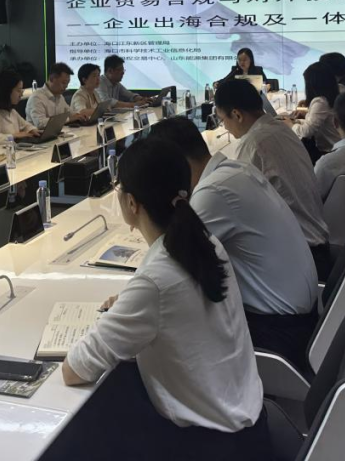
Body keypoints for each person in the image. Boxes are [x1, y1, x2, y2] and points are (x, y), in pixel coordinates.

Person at [62, 138, 269, 460]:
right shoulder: (205, 242)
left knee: (80, 430)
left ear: (132, 203)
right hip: (244, 424)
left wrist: (128, 309)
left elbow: (75, 370)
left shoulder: (156, 279)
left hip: (205, 446)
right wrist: (132, 306)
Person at [148, 117, 319, 373]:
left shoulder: (213, 192)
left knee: (166, 328)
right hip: (302, 317)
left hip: (279, 332)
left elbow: (168, 267)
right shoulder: (236, 170)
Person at [213, 78, 331, 279]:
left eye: (223, 120)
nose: (225, 127)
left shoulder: (253, 143)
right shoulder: (282, 129)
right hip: (316, 246)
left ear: (237, 115)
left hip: (298, 261)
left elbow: (235, 205)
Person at [291, 62, 342, 158]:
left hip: (327, 152)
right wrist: (306, 115)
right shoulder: (334, 94)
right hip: (337, 147)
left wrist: (290, 124)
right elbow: (322, 120)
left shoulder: (321, 102)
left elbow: (306, 132)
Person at [26, 62, 87, 129]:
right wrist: (69, 119)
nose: (66, 86)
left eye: (67, 83)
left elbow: (69, 112)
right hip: (40, 134)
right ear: (52, 79)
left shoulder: (60, 97)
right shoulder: (37, 97)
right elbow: (40, 123)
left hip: (57, 133)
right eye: (63, 83)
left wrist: (79, 115)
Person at [0, 69, 40, 139]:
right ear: (6, 91)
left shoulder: (12, 112)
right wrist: (14, 136)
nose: (21, 94)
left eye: (22, 90)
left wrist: (32, 130)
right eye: (18, 90)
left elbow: (25, 125)